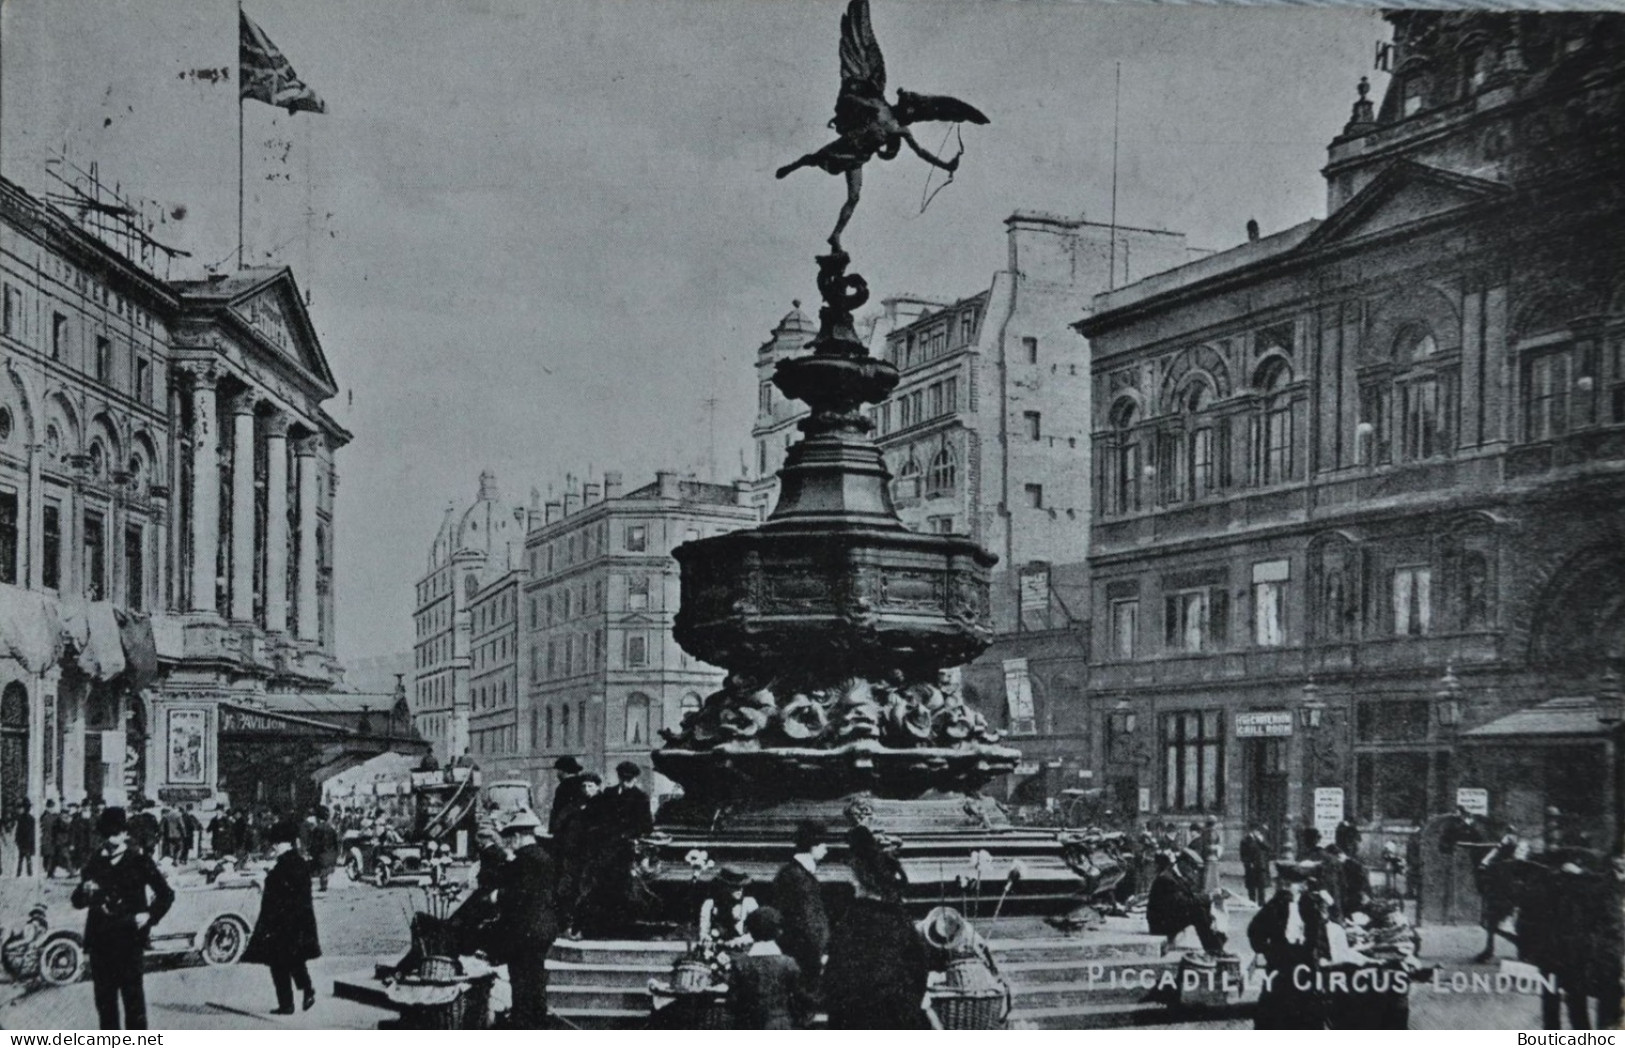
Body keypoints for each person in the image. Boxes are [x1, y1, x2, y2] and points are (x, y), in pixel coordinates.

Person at [72, 807, 175, 1030]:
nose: (112, 838)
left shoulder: (139, 860)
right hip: (100, 942)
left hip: (129, 940)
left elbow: (166, 895)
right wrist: (84, 891)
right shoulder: (94, 862)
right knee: (105, 1004)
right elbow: (77, 901)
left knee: (133, 1002)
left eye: (117, 833)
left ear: (125, 833)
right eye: (108, 834)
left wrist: (149, 915)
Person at [823, 825, 929, 1029]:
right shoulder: (898, 918)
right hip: (895, 1014)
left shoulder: (851, 921)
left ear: (860, 882)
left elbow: (835, 974)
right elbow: (919, 963)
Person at [242, 821, 321, 1014]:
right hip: (299, 923)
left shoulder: (282, 866)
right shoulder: (299, 863)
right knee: (294, 960)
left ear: (281, 845)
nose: (274, 849)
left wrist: (263, 882)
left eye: (276, 845)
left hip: (282, 924)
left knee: (278, 965)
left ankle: (287, 1004)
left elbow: (277, 893)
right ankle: (307, 989)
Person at [493, 810, 560, 1028]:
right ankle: (537, 1023)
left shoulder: (524, 859)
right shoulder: (545, 856)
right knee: (536, 979)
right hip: (543, 927)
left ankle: (524, 1026)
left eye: (510, 838)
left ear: (518, 836)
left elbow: (520, 894)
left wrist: (498, 896)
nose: (510, 843)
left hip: (524, 930)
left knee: (521, 982)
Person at [1248, 861, 1330, 1029]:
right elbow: (1254, 930)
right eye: (1289, 883)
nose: (1293, 887)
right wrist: (1266, 951)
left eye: (1299, 883)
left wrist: (1320, 956)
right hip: (1281, 962)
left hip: (1304, 962)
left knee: (1307, 1009)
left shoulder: (1310, 904)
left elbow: (1319, 934)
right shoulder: (1276, 905)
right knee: (1275, 1008)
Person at [771, 820, 830, 1027]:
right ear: (812, 845)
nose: (826, 849)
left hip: (796, 956)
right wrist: (819, 954)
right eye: (823, 844)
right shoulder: (799, 878)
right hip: (804, 959)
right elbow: (808, 922)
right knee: (802, 1015)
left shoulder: (791, 873)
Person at [727, 907, 803, 1030]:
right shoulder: (788, 964)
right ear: (779, 932)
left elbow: (732, 1001)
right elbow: (800, 1000)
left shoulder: (741, 964)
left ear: (751, 932)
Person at [1146, 851, 1227, 955]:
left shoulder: (1175, 875)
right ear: (1183, 863)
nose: (1193, 872)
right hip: (1159, 923)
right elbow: (1182, 902)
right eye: (1192, 868)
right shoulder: (1167, 879)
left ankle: (1217, 944)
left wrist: (1210, 898)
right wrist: (1209, 897)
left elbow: (1188, 899)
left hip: (1168, 917)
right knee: (1198, 912)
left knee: (1203, 907)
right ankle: (1214, 949)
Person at [698, 867, 759, 949]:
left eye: (741, 886)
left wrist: (738, 941)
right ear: (724, 887)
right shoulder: (710, 905)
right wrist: (708, 940)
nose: (740, 890)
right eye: (735, 887)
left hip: (743, 950)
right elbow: (704, 933)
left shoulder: (749, 903)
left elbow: (757, 933)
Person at [547, 756, 589, 836]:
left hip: (566, 830)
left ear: (563, 771)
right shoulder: (584, 784)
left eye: (558, 770)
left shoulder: (563, 787)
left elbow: (558, 809)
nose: (557, 774)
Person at [309, 807, 340, 892]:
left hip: (322, 854)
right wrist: (336, 853)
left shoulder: (317, 829)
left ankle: (323, 883)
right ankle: (324, 881)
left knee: (321, 868)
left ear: (318, 818)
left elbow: (315, 844)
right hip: (331, 853)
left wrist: (311, 852)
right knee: (325, 869)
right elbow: (336, 842)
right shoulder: (331, 828)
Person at [1241, 825, 1273, 906]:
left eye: (1258, 831)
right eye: (1255, 831)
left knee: (1261, 885)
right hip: (1251, 865)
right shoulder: (1245, 840)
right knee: (1251, 885)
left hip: (1261, 864)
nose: (1257, 833)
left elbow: (1269, 848)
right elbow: (1243, 854)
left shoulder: (1261, 840)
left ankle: (1261, 901)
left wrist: (1261, 840)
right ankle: (1252, 900)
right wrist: (1248, 863)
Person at [13, 800, 36, 877]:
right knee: (27, 858)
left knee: (21, 859)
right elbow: (32, 832)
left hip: (22, 841)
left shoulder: (20, 818)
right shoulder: (32, 819)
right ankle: (29, 873)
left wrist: (17, 839)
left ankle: (18, 873)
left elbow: (18, 831)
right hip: (28, 841)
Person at [40, 800, 61, 878]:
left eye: (52, 807)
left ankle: (49, 872)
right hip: (48, 838)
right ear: (47, 807)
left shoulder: (49, 816)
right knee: (48, 856)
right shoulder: (46, 817)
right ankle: (48, 872)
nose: (52, 809)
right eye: (51, 807)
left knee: (50, 856)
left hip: (51, 839)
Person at [67, 802, 90, 873]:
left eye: (88, 806)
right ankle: (80, 869)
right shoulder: (76, 817)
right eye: (84, 806)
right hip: (80, 841)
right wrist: (72, 843)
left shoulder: (93, 816)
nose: (86, 808)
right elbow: (72, 831)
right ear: (82, 807)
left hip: (90, 841)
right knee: (80, 856)